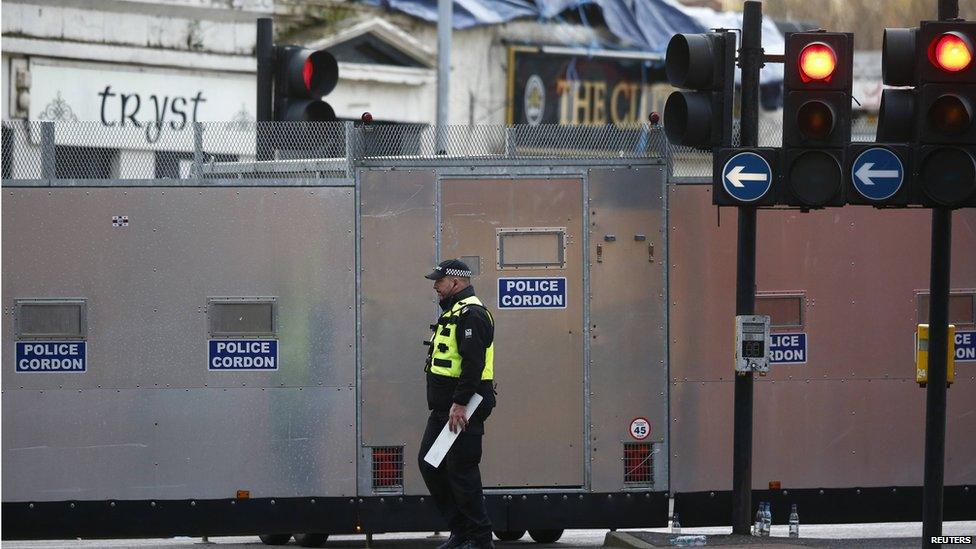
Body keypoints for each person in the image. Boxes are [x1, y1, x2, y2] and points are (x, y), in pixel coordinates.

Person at [418, 259, 497, 549]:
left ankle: (479, 538)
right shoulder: (454, 311)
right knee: (430, 463)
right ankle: (461, 531)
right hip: (446, 408)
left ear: (455, 281)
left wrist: (461, 403)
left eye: (439, 281)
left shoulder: (473, 314)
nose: (435, 286)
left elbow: (473, 364)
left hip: (464, 406)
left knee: (461, 470)